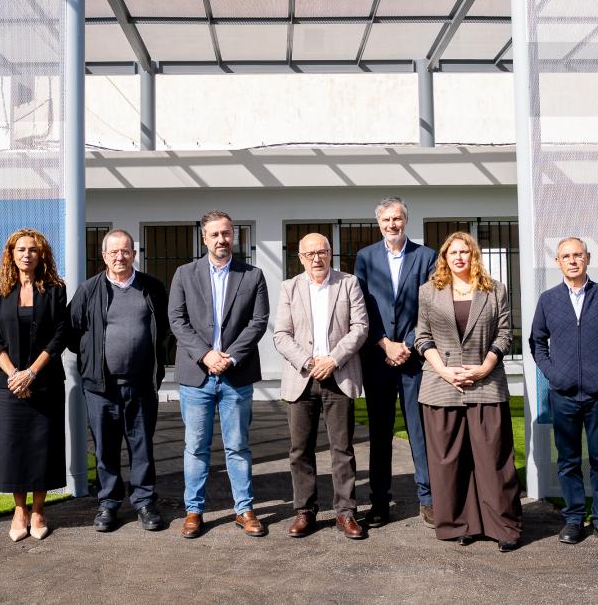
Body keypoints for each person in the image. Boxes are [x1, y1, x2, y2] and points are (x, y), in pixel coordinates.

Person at [415, 232, 522, 551]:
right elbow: (422, 337)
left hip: (485, 384)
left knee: (493, 459)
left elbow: (505, 333)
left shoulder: (494, 290)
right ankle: (461, 523)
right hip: (440, 384)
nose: (459, 257)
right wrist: (445, 371)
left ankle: (504, 527)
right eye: (453, 252)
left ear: (473, 256)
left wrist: (484, 367)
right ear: (445, 258)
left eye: (465, 251)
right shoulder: (428, 292)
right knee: (450, 460)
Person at [168, 210, 270, 539]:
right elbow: (177, 320)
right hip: (196, 375)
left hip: (235, 375)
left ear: (234, 236)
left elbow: (258, 321)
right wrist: (205, 354)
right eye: (214, 234)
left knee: (238, 446)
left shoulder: (252, 275)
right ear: (204, 238)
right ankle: (194, 511)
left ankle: (244, 509)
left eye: (226, 233)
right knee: (195, 446)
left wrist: (230, 357)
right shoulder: (184, 274)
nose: (221, 240)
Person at [530, 236, 598, 549]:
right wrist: (553, 374)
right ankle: (574, 518)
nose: (572, 260)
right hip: (563, 396)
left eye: (578, 255)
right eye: (566, 256)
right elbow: (537, 342)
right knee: (569, 460)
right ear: (558, 262)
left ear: (587, 258)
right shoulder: (549, 300)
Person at [69, 229, 170, 533]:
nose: (120, 257)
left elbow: (164, 328)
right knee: (105, 448)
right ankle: (108, 504)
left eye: (125, 251)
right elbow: (73, 332)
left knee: (142, 447)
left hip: (141, 385)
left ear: (134, 254)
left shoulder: (151, 287)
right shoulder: (89, 290)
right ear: (104, 256)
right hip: (101, 387)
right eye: (113, 252)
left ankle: (144, 502)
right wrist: (92, 357)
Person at [272, 233, 369, 540]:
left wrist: (334, 359)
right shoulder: (289, 288)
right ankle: (304, 511)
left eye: (322, 252)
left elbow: (360, 328)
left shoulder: (349, 283)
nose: (316, 258)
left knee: (342, 449)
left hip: (338, 376)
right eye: (310, 254)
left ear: (331, 254)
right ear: (300, 258)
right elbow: (281, 335)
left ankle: (345, 512)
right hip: (302, 379)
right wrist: (309, 362)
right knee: (300, 450)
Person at [353, 196, 437, 528]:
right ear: (379, 224)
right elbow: (360, 307)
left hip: (414, 360)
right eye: (387, 219)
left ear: (406, 221)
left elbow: (430, 307)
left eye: (398, 218)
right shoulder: (365, 258)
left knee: (419, 432)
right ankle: (378, 501)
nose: (392, 224)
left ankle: (428, 499)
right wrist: (384, 343)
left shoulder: (426, 257)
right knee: (380, 434)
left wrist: (407, 343)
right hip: (377, 359)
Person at [0, 228, 69, 542]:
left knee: (41, 448)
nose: (27, 254)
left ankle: (39, 510)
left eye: (33, 249)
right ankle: (19, 509)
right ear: (11, 254)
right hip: (6, 385)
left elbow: (60, 336)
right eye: (21, 249)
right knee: (12, 449)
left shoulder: (56, 290)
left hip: (43, 381)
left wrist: (31, 373)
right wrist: (14, 377)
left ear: (41, 254)